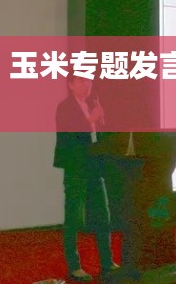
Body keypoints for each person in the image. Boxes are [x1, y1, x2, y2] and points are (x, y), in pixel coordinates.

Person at [54, 74, 119, 281]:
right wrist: (91, 118)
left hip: (94, 167)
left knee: (103, 214)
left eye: (89, 81)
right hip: (75, 168)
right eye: (81, 81)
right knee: (74, 217)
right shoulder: (64, 107)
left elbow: (96, 138)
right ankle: (74, 266)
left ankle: (107, 261)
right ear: (71, 84)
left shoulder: (92, 105)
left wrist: (99, 121)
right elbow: (70, 135)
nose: (87, 85)